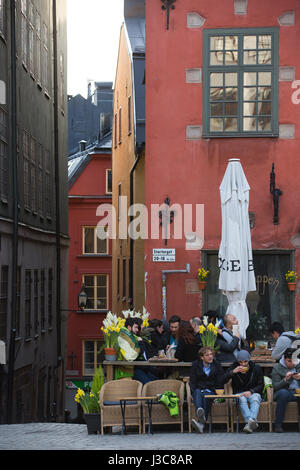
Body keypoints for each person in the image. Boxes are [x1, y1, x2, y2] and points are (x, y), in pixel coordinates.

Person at [189, 346, 229, 433]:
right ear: (202, 357)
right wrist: (191, 394)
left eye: (211, 354)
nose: (210, 357)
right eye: (207, 355)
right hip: (199, 390)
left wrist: (219, 393)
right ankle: (200, 413)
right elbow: (192, 381)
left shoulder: (216, 365)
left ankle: (200, 419)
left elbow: (220, 380)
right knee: (198, 392)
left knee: (206, 396)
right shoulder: (196, 365)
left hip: (211, 390)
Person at [226, 350, 264, 433]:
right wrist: (232, 372)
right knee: (242, 399)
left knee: (255, 398)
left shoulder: (256, 368)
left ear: (249, 360)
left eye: (245, 361)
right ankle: (251, 422)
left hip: (253, 392)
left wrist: (251, 391)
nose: (243, 364)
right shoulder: (234, 368)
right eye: (240, 362)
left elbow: (261, 385)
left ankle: (249, 424)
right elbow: (221, 380)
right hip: (239, 393)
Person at [272, 347, 300, 432]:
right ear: (284, 359)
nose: (292, 364)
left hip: (298, 391)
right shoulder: (277, 367)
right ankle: (278, 424)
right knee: (283, 394)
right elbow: (275, 386)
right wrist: (285, 380)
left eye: (294, 361)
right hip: (285, 392)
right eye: (289, 361)